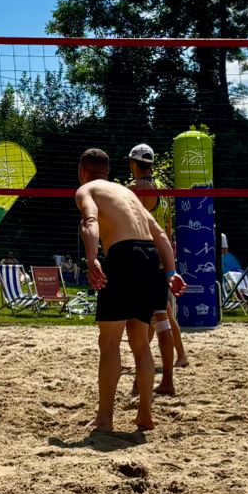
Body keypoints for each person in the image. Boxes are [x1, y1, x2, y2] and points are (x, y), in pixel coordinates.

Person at [75, 149, 184, 435]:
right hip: (150, 259)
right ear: (108, 172)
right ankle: (145, 414)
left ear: (82, 172)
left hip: (123, 257)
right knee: (140, 343)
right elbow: (160, 234)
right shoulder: (128, 193)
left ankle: (105, 418)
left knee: (109, 342)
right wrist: (171, 272)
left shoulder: (87, 189)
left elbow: (90, 222)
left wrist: (92, 259)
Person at [126, 141, 189, 395]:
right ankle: (164, 379)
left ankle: (146, 379)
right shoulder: (162, 188)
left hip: (143, 258)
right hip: (163, 257)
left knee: (145, 322)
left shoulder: (134, 190)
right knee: (161, 318)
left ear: (133, 164)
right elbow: (169, 229)